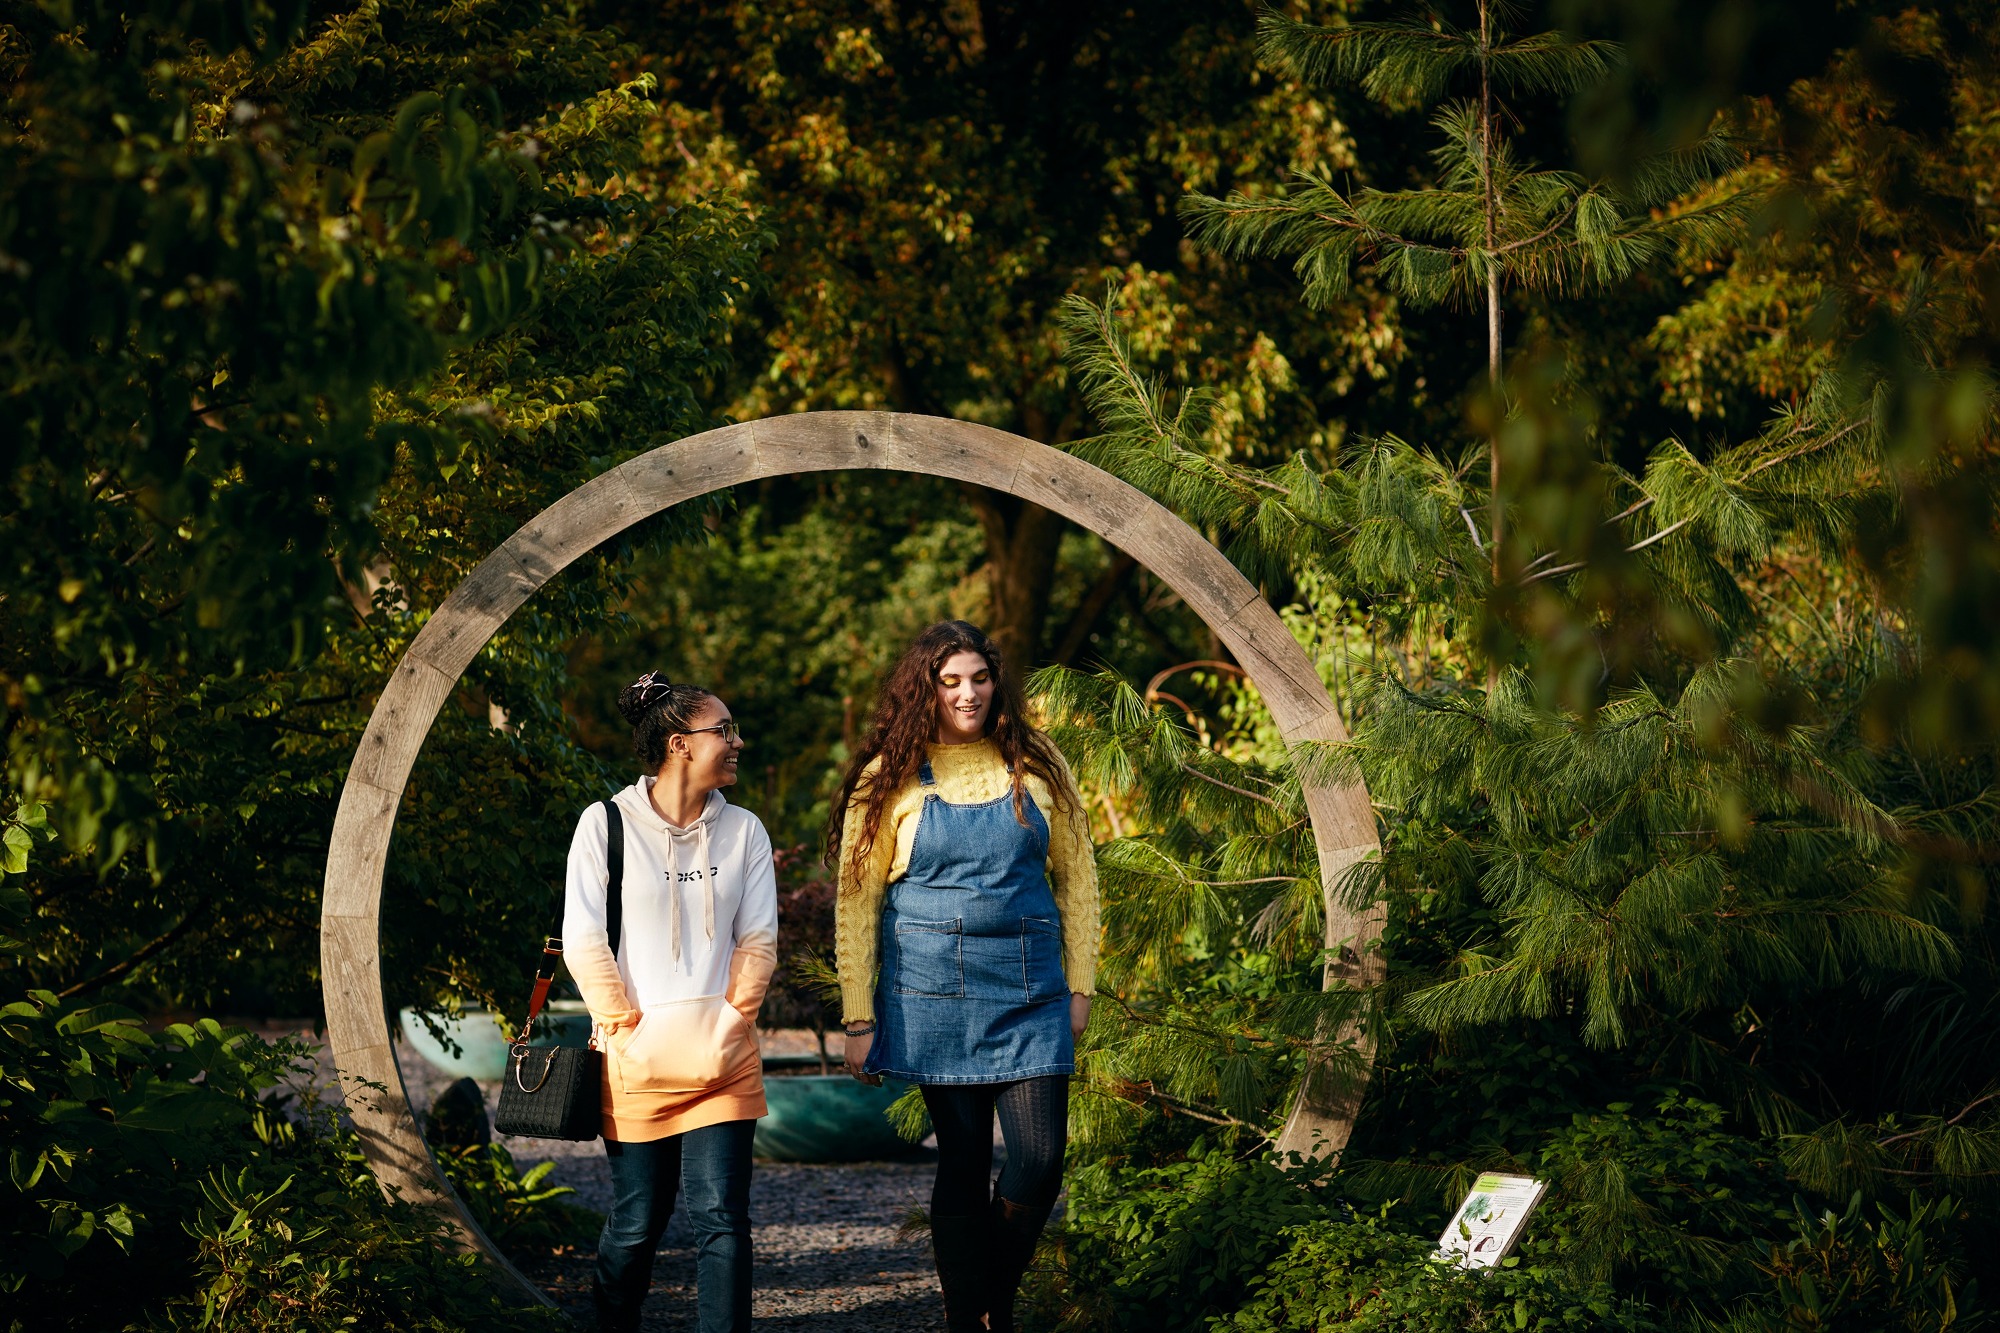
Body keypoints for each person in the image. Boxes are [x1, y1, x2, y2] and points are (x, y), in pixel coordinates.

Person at [829, 621, 1100, 1333]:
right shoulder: (889, 776)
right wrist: (859, 1016)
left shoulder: (1038, 766)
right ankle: (972, 1320)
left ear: (996, 680)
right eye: (950, 681)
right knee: (964, 1159)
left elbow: (1080, 881)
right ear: (925, 687)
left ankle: (989, 1301)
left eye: (978, 677)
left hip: (1031, 992)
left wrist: (1081, 985)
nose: (967, 693)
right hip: (930, 996)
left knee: (1040, 1158)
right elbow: (857, 899)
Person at [563, 673, 777, 1333]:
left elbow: (759, 939)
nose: (737, 741)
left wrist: (731, 1022)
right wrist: (626, 1029)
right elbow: (583, 938)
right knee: (638, 1220)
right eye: (724, 730)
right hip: (633, 1059)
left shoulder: (744, 831)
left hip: (723, 1058)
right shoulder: (605, 823)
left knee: (722, 1219)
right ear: (680, 743)